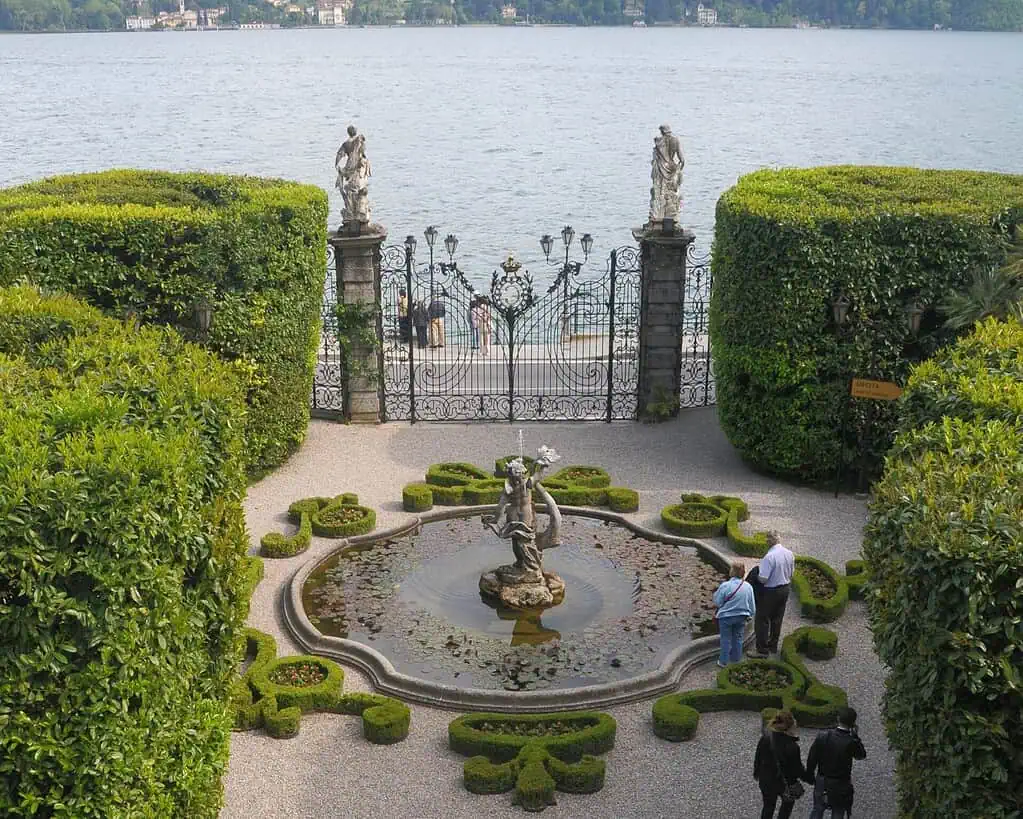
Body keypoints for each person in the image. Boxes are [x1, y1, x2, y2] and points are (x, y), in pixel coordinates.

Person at [805, 706, 867, 819]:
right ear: (853, 723)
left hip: (823, 780)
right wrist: (856, 737)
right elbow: (861, 755)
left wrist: (809, 775)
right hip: (841, 784)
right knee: (838, 812)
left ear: (838, 718)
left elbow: (812, 758)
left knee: (818, 809)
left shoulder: (823, 736)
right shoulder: (851, 742)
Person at [754, 710, 807, 819]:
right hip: (785, 782)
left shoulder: (766, 737)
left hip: (766, 780)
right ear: (790, 726)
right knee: (787, 805)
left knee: (768, 806)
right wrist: (808, 777)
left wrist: (757, 773)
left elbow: (758, 756)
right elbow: (796, 768)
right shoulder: (792, 746)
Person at [750, 531, 795, 657]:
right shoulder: (789, 553)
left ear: (769, 542)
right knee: (777, 619)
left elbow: (763, 579)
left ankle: (762, 650)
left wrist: (755, 575)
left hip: (770, 592)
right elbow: (792, 574)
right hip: (785, 589)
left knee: (762, 619)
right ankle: (773, 646)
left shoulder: (769, 557)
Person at [712, 560, 756, 667]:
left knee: (725, 639)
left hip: (726, 617)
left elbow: (717, 602)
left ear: (732, 572)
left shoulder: (725, 586)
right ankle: (736, 660)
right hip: (741, 616)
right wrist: (750, 615)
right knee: (738, 638)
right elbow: (752, 605)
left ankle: (723, 662)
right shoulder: (748, 586)